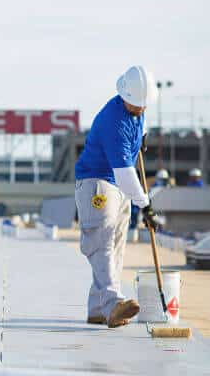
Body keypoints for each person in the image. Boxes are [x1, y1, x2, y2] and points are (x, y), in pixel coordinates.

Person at [74, 65, 161, 328]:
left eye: (144, 106)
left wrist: (142, 136)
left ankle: (98, 310)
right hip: (97, 183)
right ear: (124, 96)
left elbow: (139, 120)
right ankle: (113, 304)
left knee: (117, 245)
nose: (141, 110)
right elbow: (124, 172)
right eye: (137, 105)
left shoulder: (137, 109)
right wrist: (145, 205)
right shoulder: (114, 121)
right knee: (102, 244)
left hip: (118, 187)